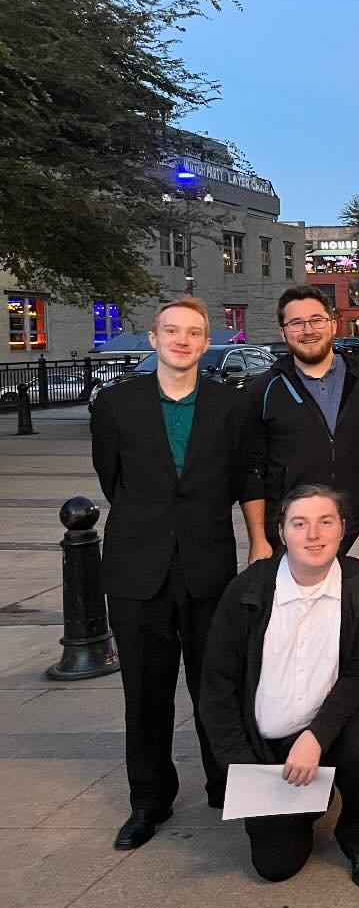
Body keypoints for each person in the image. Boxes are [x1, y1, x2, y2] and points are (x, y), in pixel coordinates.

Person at [90, 296, 251, 849]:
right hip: (138, 568)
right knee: (145, 690)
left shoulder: (230, 406)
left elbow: (239, 479)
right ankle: (149, 798)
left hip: (207, 565)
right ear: (154, 338)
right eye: (172, 331)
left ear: (207, 343)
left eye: (195, 332)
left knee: (215, 683)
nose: (183, 340)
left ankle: (225, 784)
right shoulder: (116, 404)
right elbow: (113, 479)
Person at [199, 485, 359, 890]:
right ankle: (307, 802)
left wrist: (316, 737)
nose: (313, 535)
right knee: (275, 866)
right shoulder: (246, 592)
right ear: (281, 532)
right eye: (299, 524)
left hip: (331, 727)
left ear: (342, 530)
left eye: (326, 522)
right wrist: (245, 766)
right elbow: (217, 691)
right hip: (265, 744)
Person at [242, 285, 359, 561]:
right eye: (296, 323)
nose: (308, 330)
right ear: (282, 331)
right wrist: (258, 539)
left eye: (316, 320)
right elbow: (252, 471)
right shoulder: (263, 391)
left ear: (333, 324)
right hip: (292, 536)